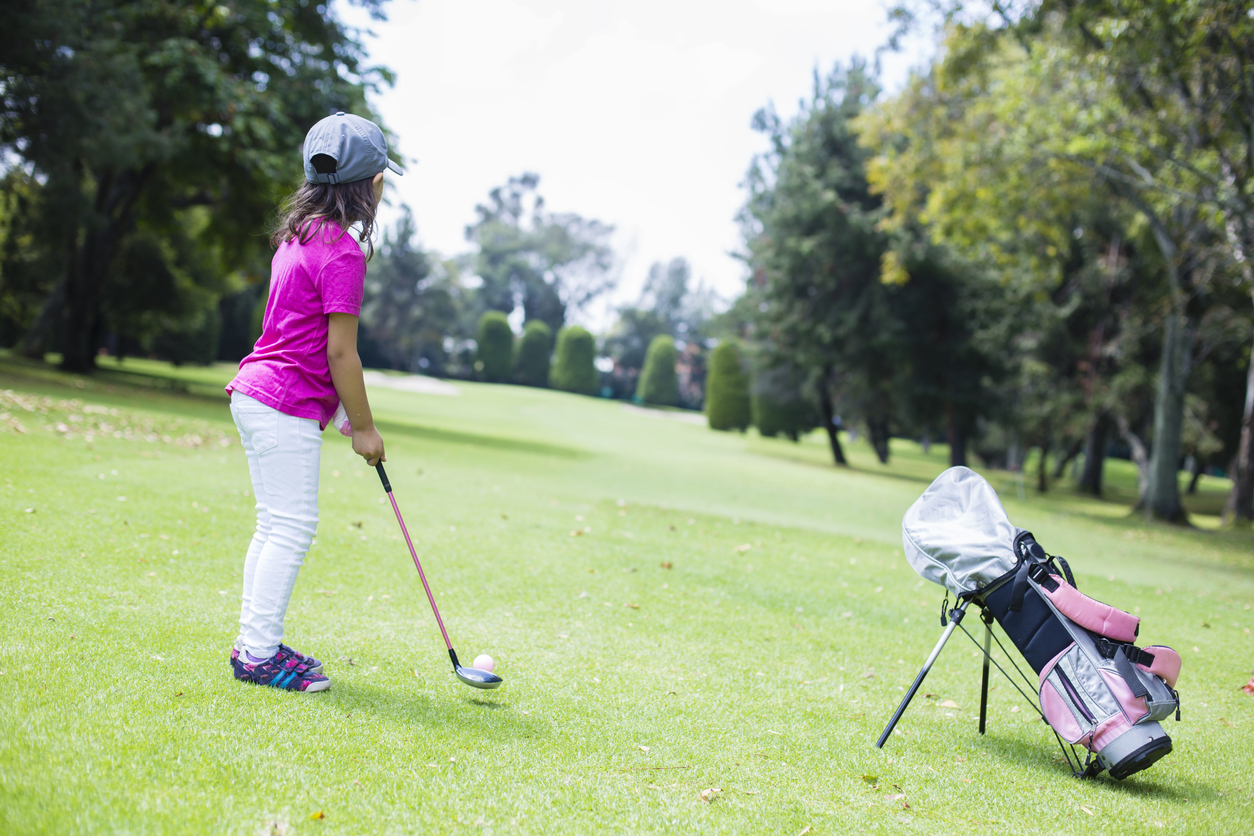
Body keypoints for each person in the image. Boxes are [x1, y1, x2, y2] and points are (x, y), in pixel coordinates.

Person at [224, 112, 403, 692]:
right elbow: (341, 354)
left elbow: (306, 336)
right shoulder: (344, 253)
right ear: (372, 184)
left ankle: (256, 643)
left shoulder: (295, 239)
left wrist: (346, 412)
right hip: (282, 403)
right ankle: (257, 654)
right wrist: (367, 428)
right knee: (291, 528)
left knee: (274, 525)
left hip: (258, 392)